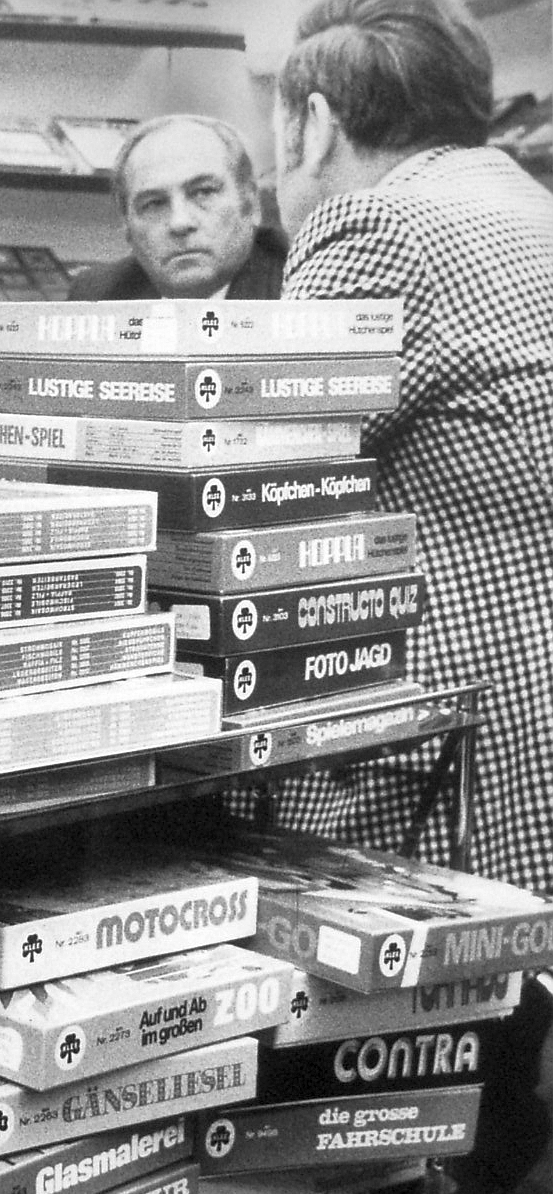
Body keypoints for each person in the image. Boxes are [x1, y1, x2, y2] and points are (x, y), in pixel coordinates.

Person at [262, 0, 553, 896]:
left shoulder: (377, 226)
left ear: (315, 126)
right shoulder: (528, 208)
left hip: (432, 768)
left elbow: (246, 471)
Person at [68, 113, 286, 301]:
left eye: (204, 192)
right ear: (126, 225)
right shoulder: (99, 296)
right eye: (154, 204)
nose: (179, 222)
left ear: (251, 204)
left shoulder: (294, 289)